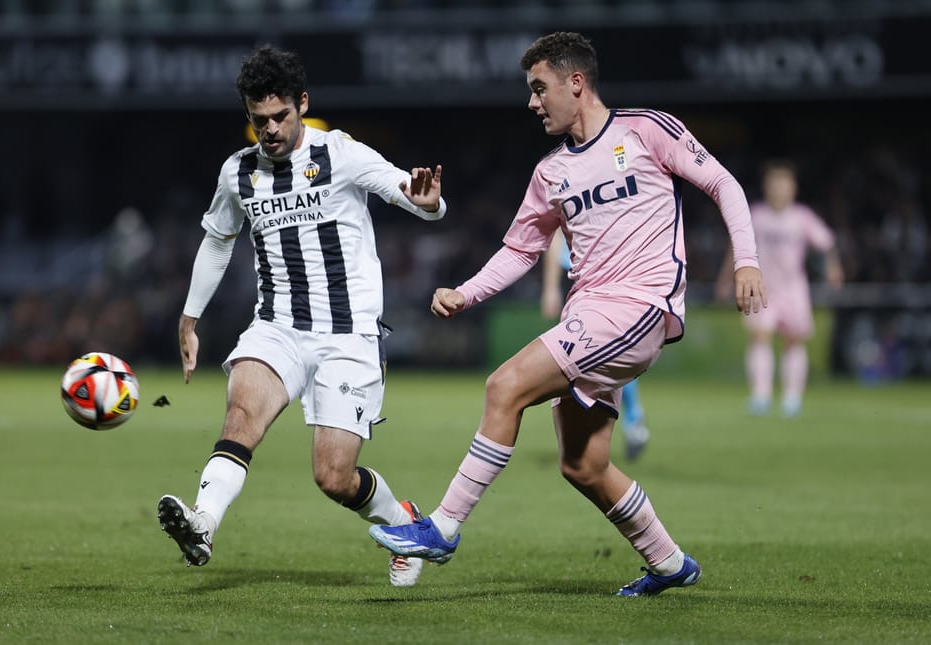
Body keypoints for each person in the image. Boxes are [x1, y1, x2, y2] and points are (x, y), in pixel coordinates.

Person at [369, 31, 766, 596]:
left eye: (539, 88)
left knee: (504, 386)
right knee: (583, 464)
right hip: (593, 311)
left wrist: (746, 262)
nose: (532, 102)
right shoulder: (551, 172)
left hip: (642, 305)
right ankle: (669, 562)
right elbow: (521, 249)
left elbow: (722, 184)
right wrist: (468, 292)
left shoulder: (647, 129)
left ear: (575, 82)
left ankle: (444, 526)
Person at [157, 45, 446, 588]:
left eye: (280, 117)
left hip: (348, 335)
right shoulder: (238, 173)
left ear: (302, 104)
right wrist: (190, 318)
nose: (269, 129)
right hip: (278, 327)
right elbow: (218, 242)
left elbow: (409, 194)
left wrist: (428, 201)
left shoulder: (341, 153)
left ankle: (404, 521)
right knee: (241, 417)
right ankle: (203, 524)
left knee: (333, 476)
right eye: (258, 119)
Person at [717, 160, 843, 417]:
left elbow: (826, 242)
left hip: (793, 289)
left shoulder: (802, 217)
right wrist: (725, 279)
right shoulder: (756, 215)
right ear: (767, 186)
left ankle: (791, 399)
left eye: (784, 183)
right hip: (762, 288)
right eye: (775, 183)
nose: (779, 188)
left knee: (793, 341)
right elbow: (735, 247)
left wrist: (833, 266)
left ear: (793, 188)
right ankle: (760, 396)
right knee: (760, 336)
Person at [541, 234, 649, 461]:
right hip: (587, 274)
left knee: (592, 353)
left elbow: (555, 237)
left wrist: (550, 288)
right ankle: (630, 419)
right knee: (600, 352)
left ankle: (616, 422)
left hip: (596, 275)